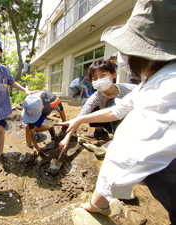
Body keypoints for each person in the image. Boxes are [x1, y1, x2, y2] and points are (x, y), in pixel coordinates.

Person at [58, 0, 176, 223]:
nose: (123, 58)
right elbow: (119, 109)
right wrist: (78, 121)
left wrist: (98, 203)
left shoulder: (165, 89)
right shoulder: (152, 82)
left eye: (126, 51)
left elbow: (125, 153)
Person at [80, 60, 137, 151]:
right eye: (94, 78)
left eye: (103, 75)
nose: (99, 80)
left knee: (112, 102)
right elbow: (83, 113)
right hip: (109, 122)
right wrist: (71, 126)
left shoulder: (132, 90)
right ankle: (100, 133)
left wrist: (119, 101)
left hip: (131, 125)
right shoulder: (97, 96)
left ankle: (119, 139)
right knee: (86, 102)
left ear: (113, 75)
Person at [22, 90, 66, 155]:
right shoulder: (29, 103)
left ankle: (50, 128)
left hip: (44, 112)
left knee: (34, 128)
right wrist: (35, 145)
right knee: (27, 127)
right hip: (32, 112)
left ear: (42, 107)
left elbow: (61, 110)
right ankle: (28, 146)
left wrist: (65, 125)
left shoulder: (51, 99)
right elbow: (30, 127)